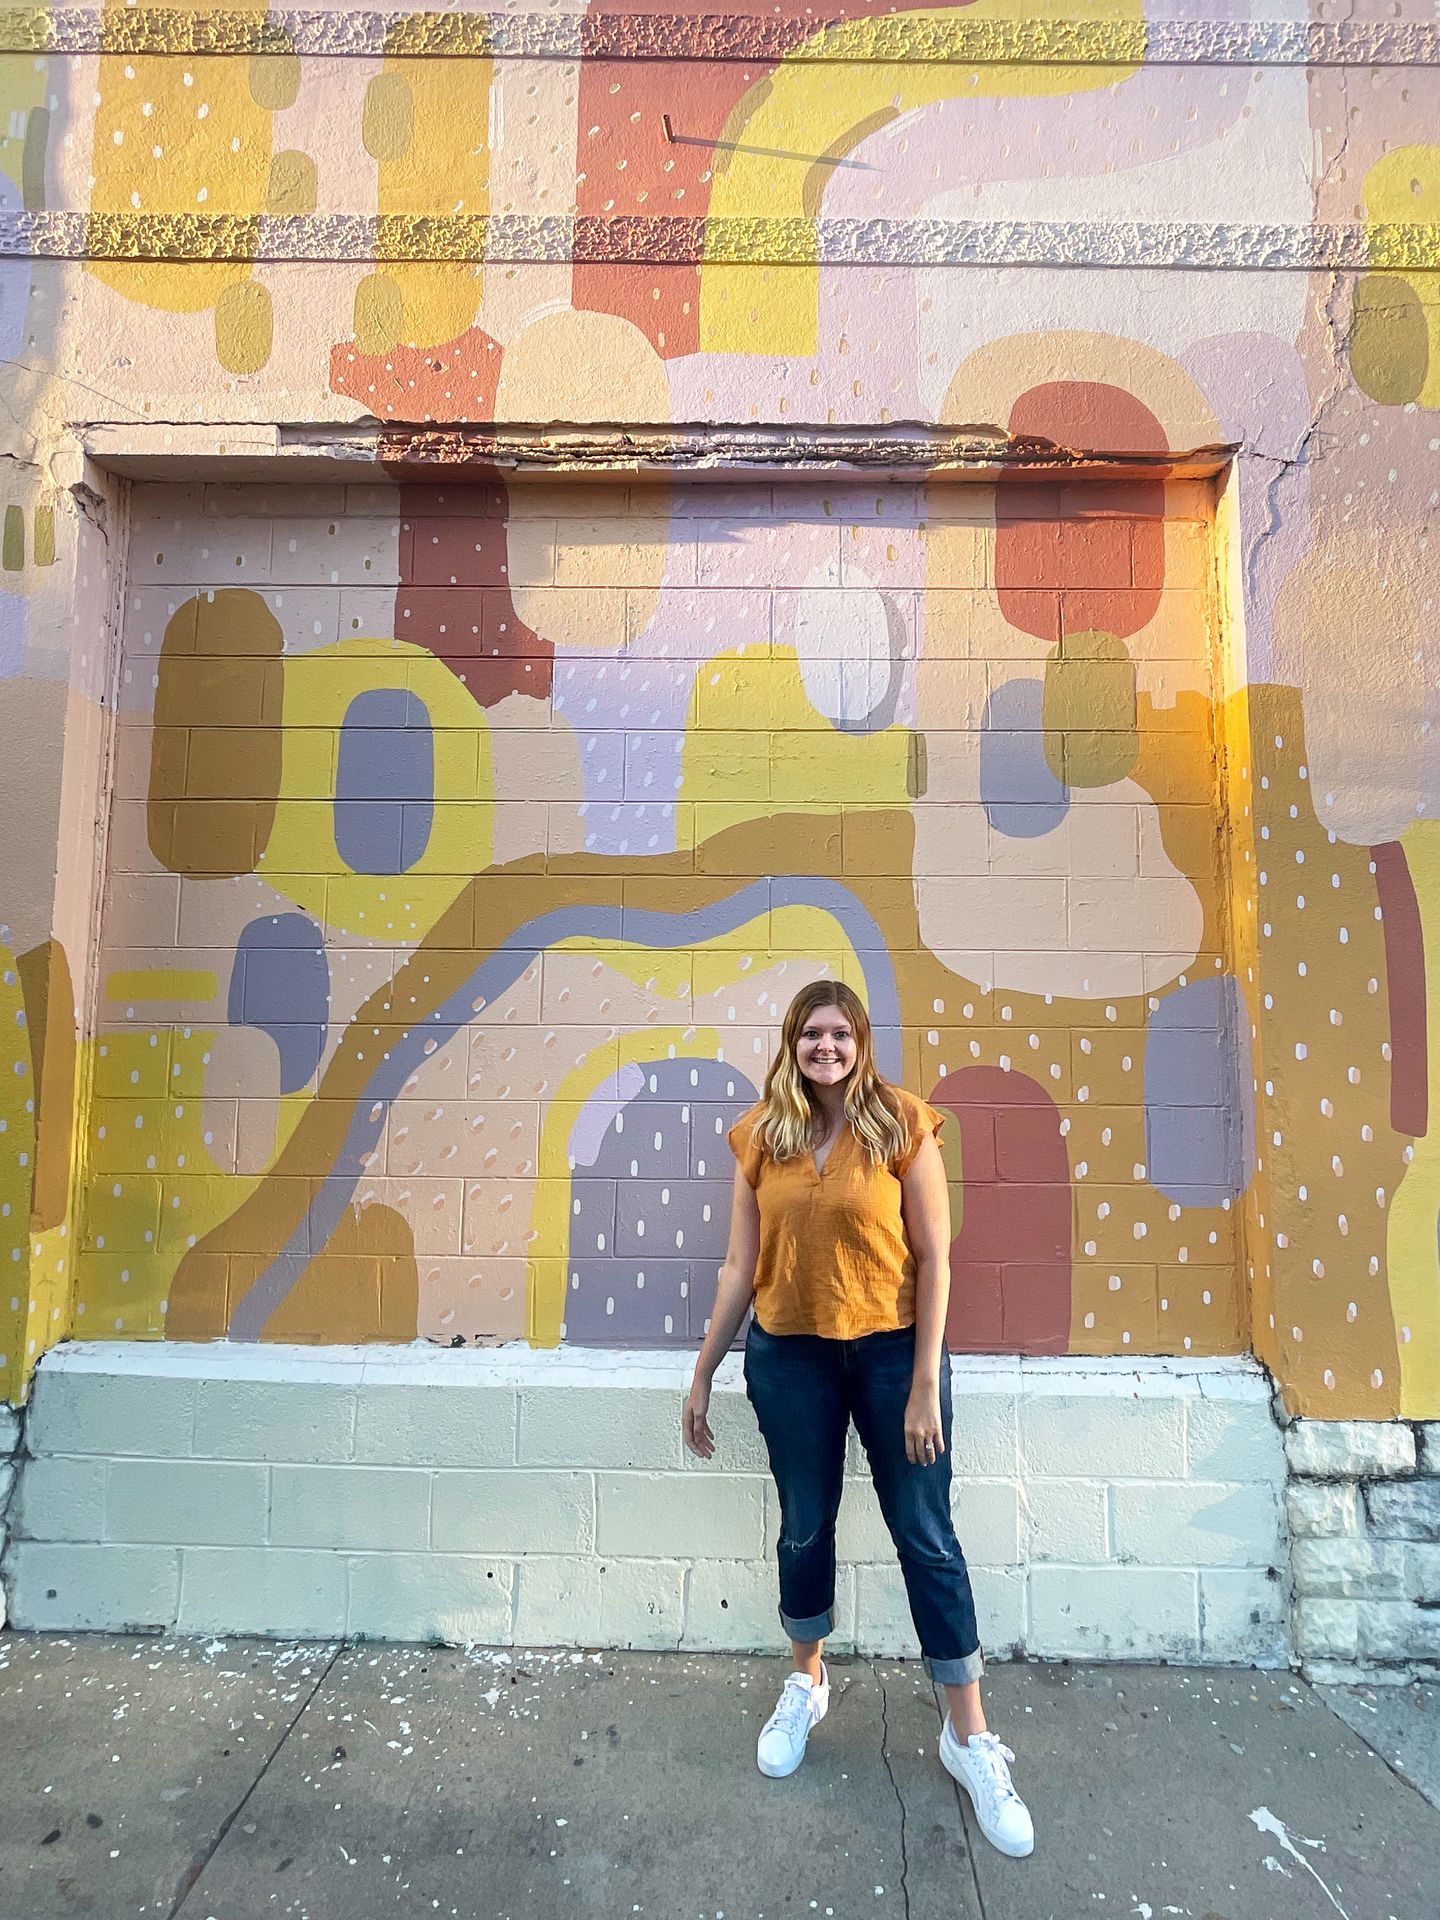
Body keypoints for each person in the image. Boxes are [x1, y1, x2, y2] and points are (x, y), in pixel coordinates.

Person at [682, 979, 1034, 1858]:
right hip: (790, 1357)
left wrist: (923, 1383)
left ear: (861, 1041)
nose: (825, 1047)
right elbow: (738, 1266)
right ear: (792, 1044)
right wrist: (701, 1375)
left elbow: (937, 1258)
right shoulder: (762, 1135)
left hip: (891, 1354)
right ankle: (807, 1683)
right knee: (805, 1527)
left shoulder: (903, 1123)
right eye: (811, 1034)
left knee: (926, 1535)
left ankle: (969, 1737)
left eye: (839, 1033)